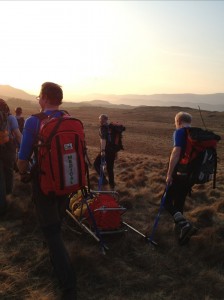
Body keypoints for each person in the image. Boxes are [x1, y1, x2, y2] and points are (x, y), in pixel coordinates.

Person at [17, 82, 77, 300]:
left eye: (38, 97)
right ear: (59, 100)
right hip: (68, 181)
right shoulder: (68, 118)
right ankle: (56, 252)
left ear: (43, 98)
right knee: (57, 220)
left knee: (51, 231)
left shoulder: (34, 121)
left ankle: (68, 284)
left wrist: (22, 173)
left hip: (44, 184)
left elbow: (23, 157)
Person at [164, 111, 197, 245]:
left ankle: (184, 225)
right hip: (192, 175)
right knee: (179, 201)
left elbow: (176, 152)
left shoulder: (180, 132)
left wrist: (169, 174)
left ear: (178, 121)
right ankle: (181, 233)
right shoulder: (195, 134)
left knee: (166, 201)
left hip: (180, 173)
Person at [0, 99, 22, 215]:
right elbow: (18, 135)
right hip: (8, 149)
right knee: (9, 173)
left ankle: (1, 206)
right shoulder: (11, 118)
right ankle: (9, 200)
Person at [94, 114, 117, 190]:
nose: (99, 121)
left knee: (96, 164)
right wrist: (116, 152)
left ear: (102, 120)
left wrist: (103, 151)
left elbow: (103, 139)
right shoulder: (112, 128)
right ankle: (112, 186)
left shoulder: (103, 128)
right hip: (112, 151)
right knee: (110, 169)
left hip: (106, 150)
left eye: (100, 119)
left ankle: (104, 180)